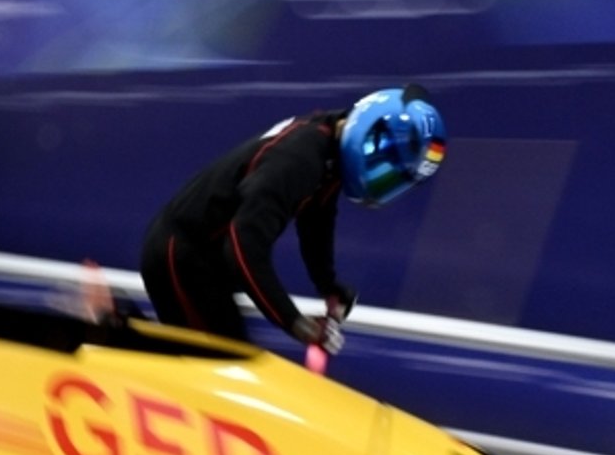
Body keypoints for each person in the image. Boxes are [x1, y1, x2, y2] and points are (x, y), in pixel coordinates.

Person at [139, 85, 445, 353]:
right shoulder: (299, 159)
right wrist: (295, 322)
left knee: (227, 361)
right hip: (181, 257)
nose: (381, 175)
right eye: (381, 159)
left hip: (206, 261)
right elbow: (242, 249)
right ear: (368, 130)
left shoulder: (329, 151)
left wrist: (328, 285)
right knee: (213, 370)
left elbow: (316, 222)